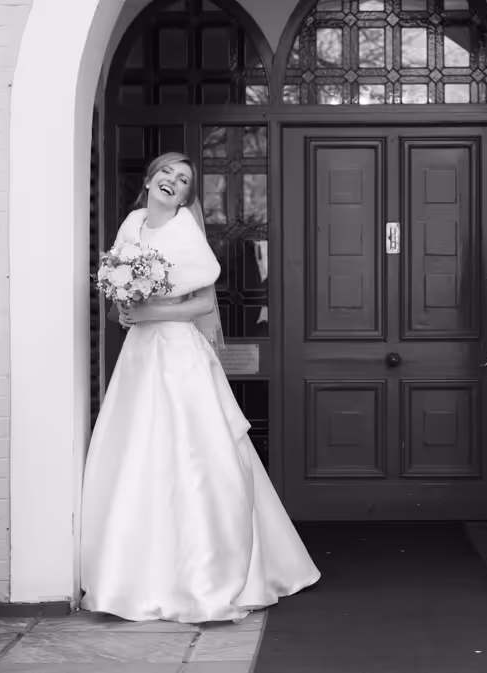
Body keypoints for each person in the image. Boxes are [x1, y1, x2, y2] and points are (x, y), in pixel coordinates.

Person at [80, 152, 320, 623]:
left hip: (177, 354)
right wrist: (125, 309)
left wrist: (149, 313)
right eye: (166, 173)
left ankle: (206, 576)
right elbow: (118, 292)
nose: (173, 181)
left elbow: (204, 300)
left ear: (188, 196)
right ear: (149, 181)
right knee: (138, 451)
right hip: (140, 357)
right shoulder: (132, 224)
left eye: (184, 179)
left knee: (194, 455)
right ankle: (133, 575)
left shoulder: (185, 231)